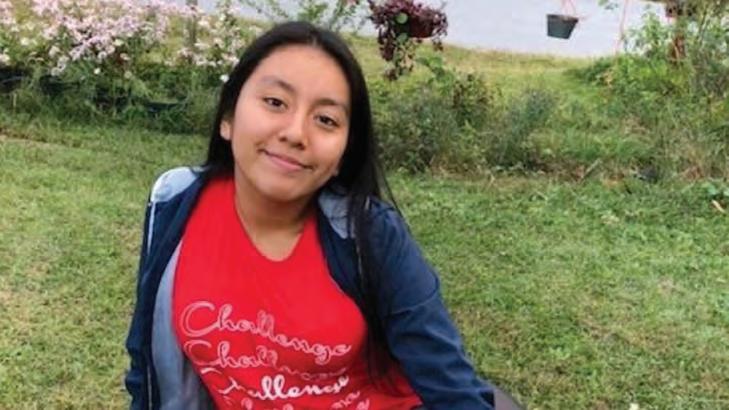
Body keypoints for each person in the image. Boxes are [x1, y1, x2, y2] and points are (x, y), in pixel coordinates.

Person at [124, 21, 522, 410]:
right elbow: (146, 364)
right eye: (275, 102)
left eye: (326, 120)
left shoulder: (370, 233)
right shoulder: (176, 202)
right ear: (228, 117)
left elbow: (450, 385)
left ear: (342, 155)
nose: (296, 133)